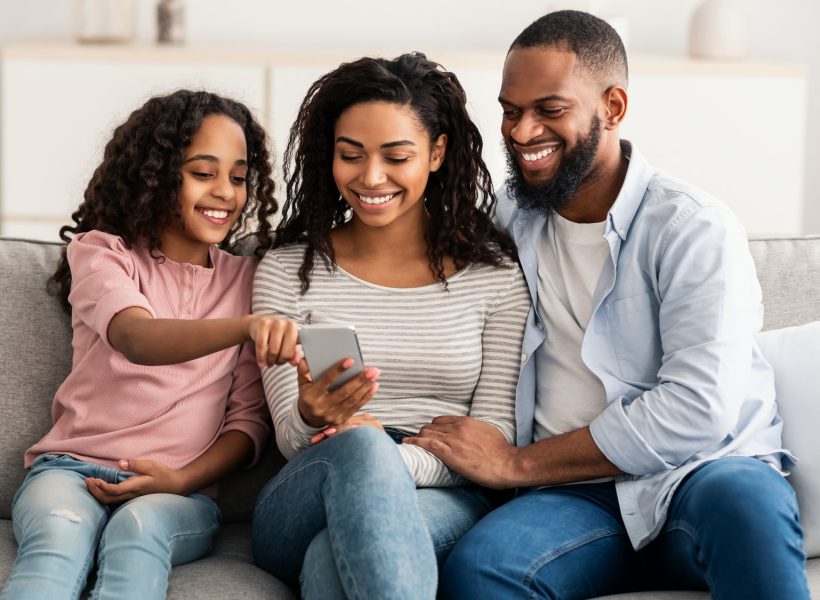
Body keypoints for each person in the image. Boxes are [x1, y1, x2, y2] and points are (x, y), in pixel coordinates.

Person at [406, 10, 811, 599]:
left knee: (747, 501)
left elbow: (698, 408)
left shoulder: (692, 228)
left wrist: (516, 464)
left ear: (613, 107)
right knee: (482, 570)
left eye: (550, 110)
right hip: (574, 496)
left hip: (699, 478)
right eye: (510, 110)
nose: (521, 134)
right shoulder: (508, 222)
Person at [250, 52, 530, 598]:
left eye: (395, 157)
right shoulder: (287, 270)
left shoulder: (494, 277)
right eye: (350, 155)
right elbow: (289, 438)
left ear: (437, 152)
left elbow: (495, 438)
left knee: (331, 561)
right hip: (307, 485)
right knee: (359, 450)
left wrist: (393, 458)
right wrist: (312, 415)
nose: (370, 178)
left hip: (442, 489)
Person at [1, 90, 300, 600]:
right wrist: (245, 327)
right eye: (203, 173)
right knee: (57, 537)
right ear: (156, 174)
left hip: (179, 492)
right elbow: (136, 337)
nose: (225, 192)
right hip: (70, 470)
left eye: (237, 176)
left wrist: (181, 479)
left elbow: (248, 424)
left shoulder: (248, 281)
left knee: (136, 536)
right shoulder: (101, 254)